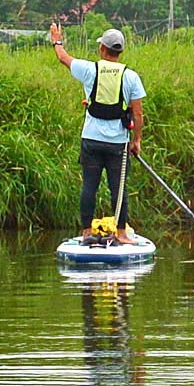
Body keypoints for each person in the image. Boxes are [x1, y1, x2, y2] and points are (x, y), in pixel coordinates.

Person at [49, 23, 145, 245]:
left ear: (102, 49)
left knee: (89, 187)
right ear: (120, 51)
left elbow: (63, 57)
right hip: (118, 144)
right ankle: (121, 234)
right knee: (118, 189)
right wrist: (136, 141)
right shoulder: (131, 77)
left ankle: (86, 233)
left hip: (91, 140)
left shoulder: (89, 70)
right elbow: (138, 114)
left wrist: (57, 40)